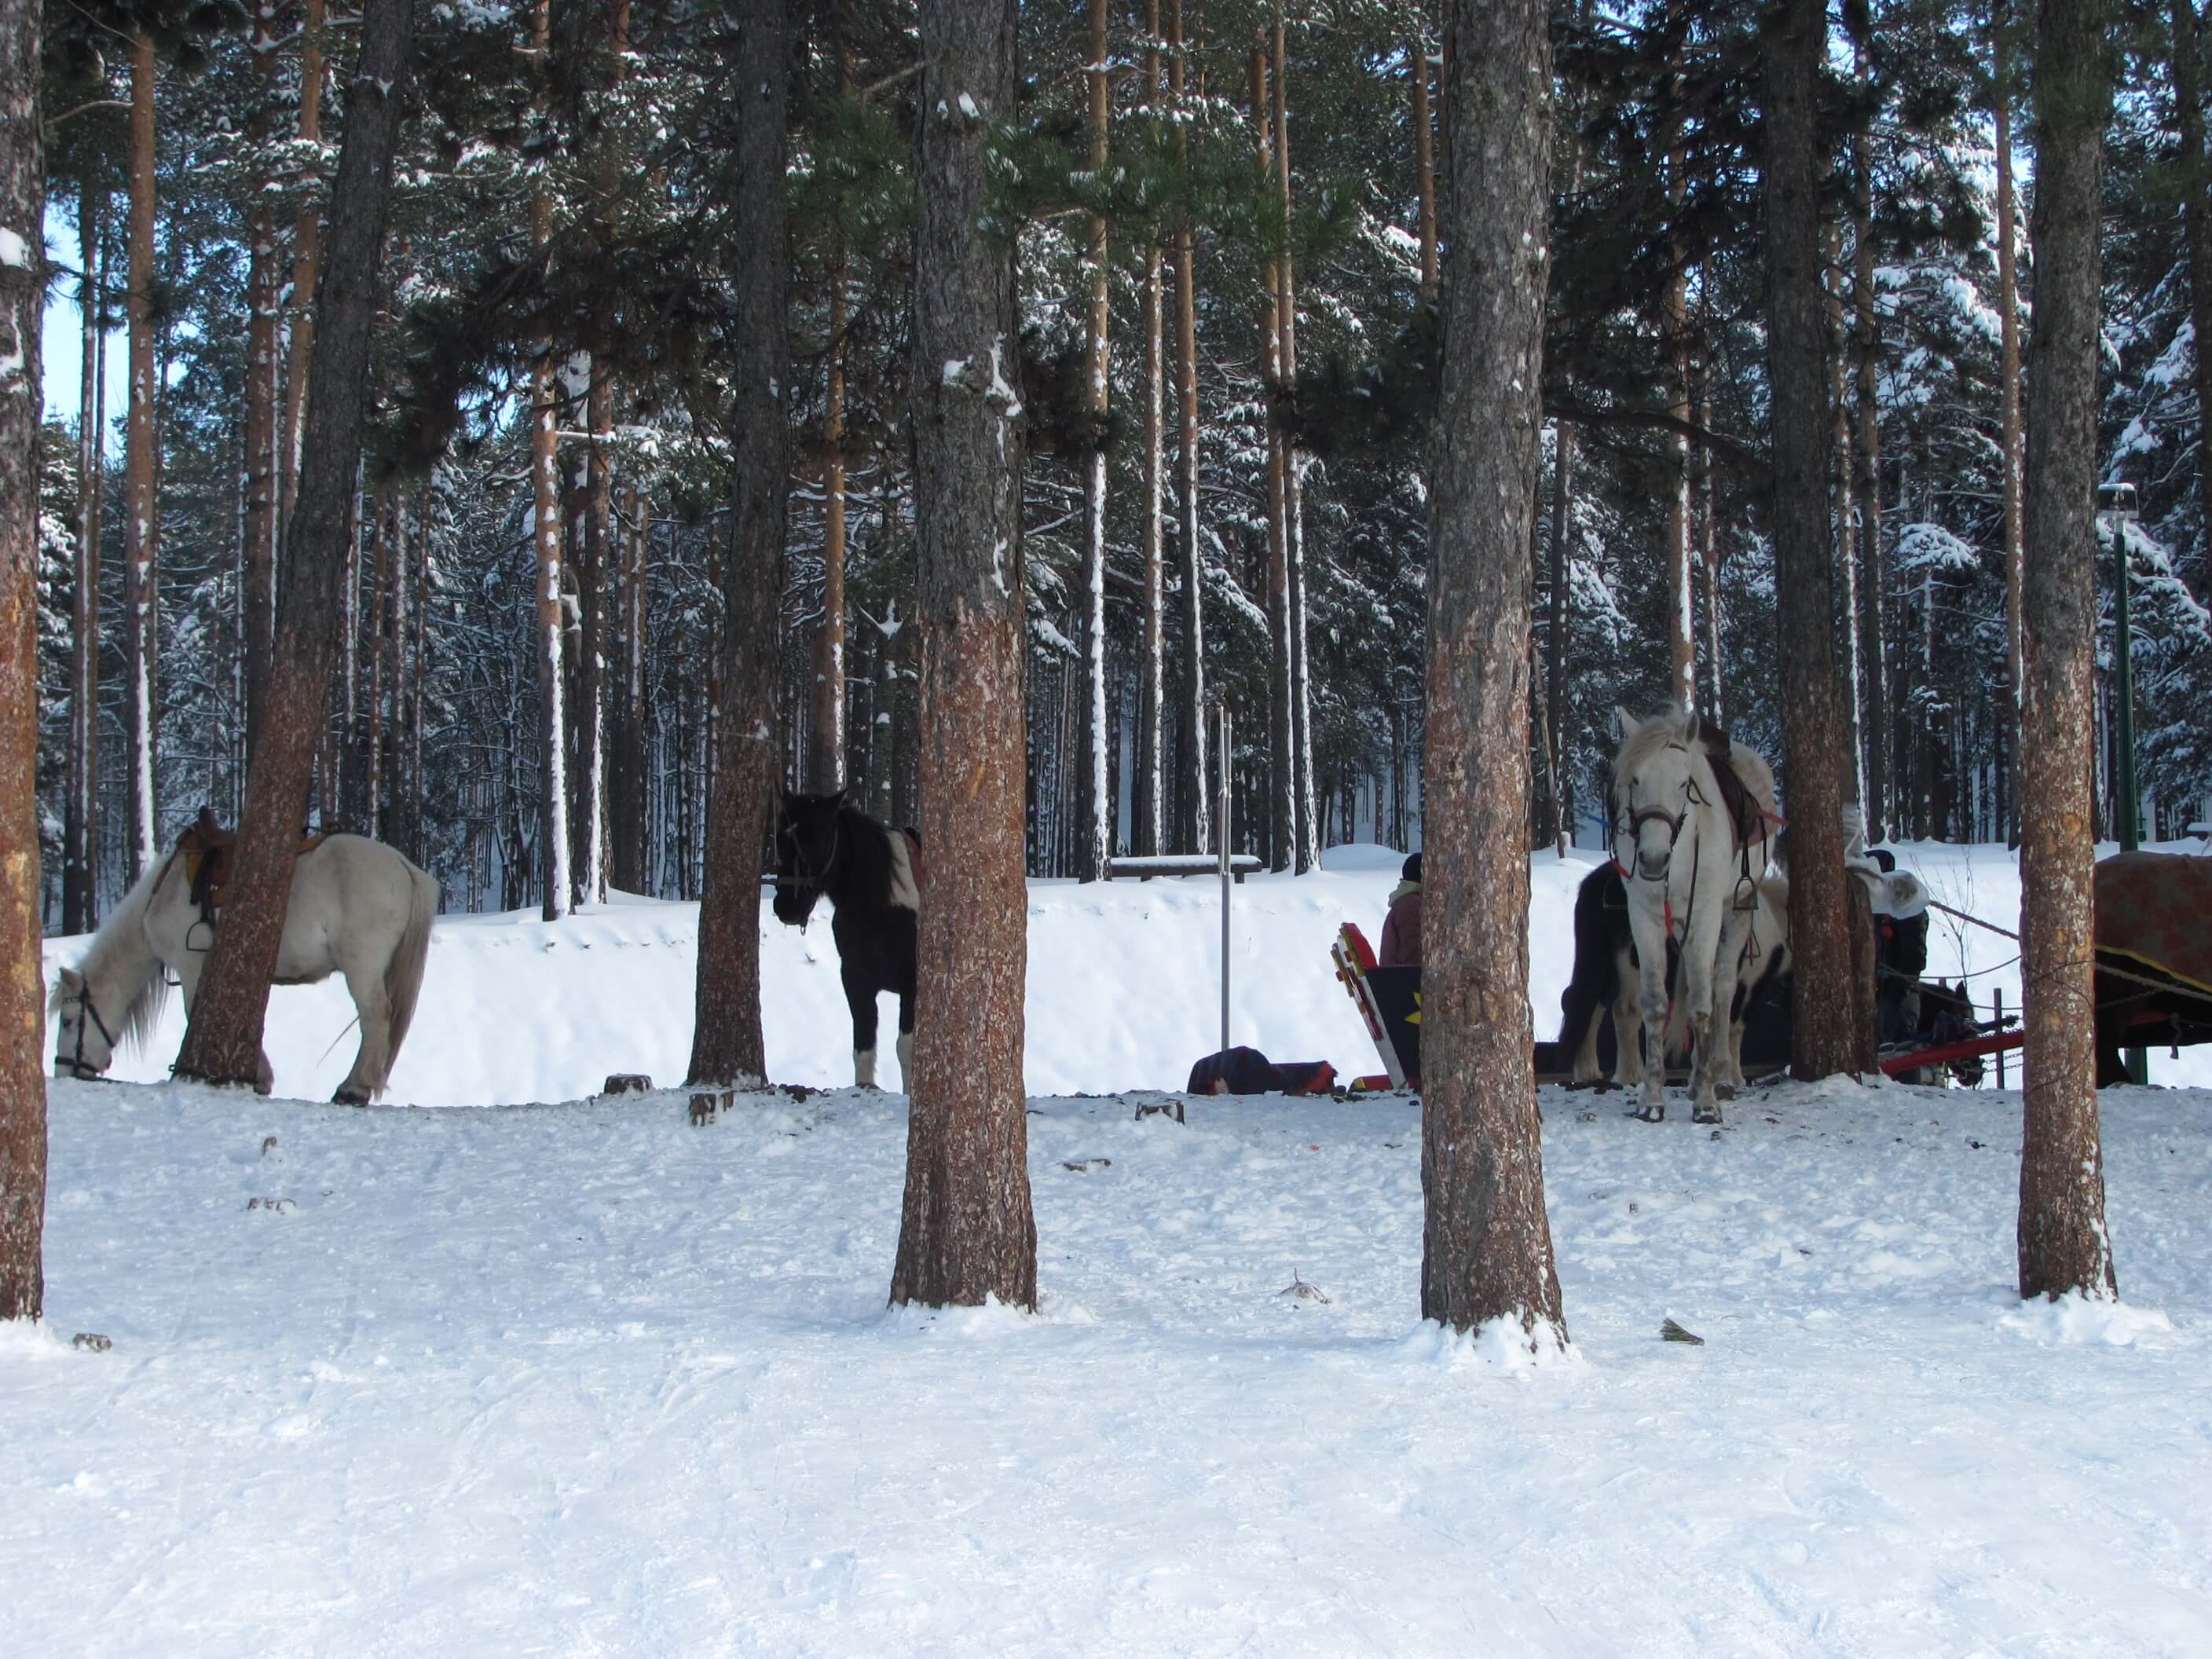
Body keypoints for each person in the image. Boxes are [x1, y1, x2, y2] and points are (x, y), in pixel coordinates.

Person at [1379, 852, 1422, 969]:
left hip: (1396, 977)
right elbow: (1412, 955)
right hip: (1403, 980)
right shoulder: (1411, 904)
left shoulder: (1406, 900)